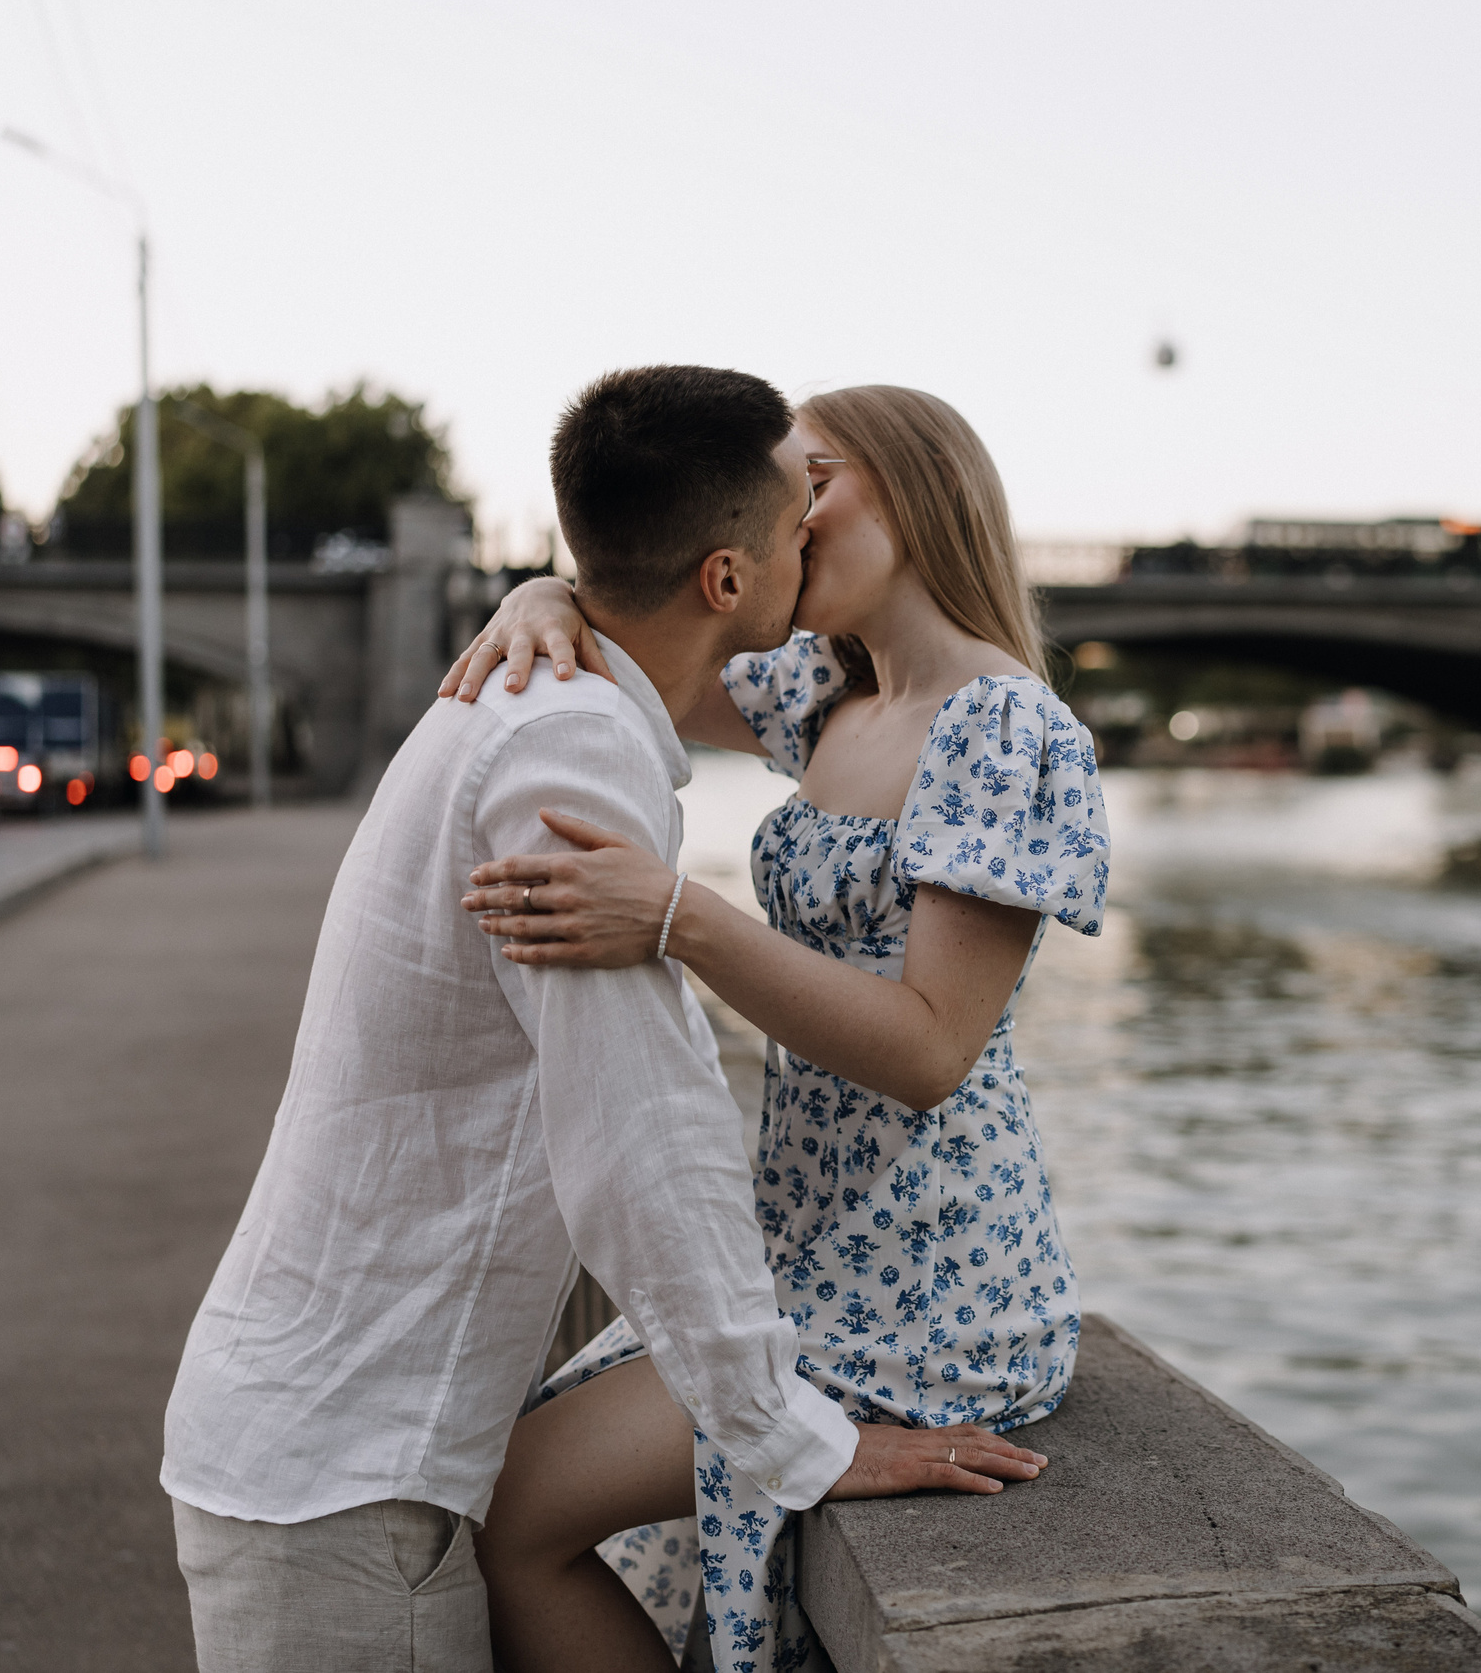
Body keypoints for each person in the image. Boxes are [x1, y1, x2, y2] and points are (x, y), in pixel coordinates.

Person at [160, 367, 1044, 1673]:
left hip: (319, 1433)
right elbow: (645, 1145)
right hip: (348, 1478)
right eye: (796, 507)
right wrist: (800, 1438)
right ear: (728, 578)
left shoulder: (541, 696)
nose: (816, 524)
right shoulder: (567, 751)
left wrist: (550, 587)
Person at [442, 383, 1108, 1670]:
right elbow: (652, 618)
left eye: (818, 477)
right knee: (498, 1485)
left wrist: (678, 918)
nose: (791, 512)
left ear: (916, 491)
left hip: (930, 1277)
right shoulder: (822, 695)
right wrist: (541, 597)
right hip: (798, 1246)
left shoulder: (1005, 727)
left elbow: (929, 1051)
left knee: (516, 1510)